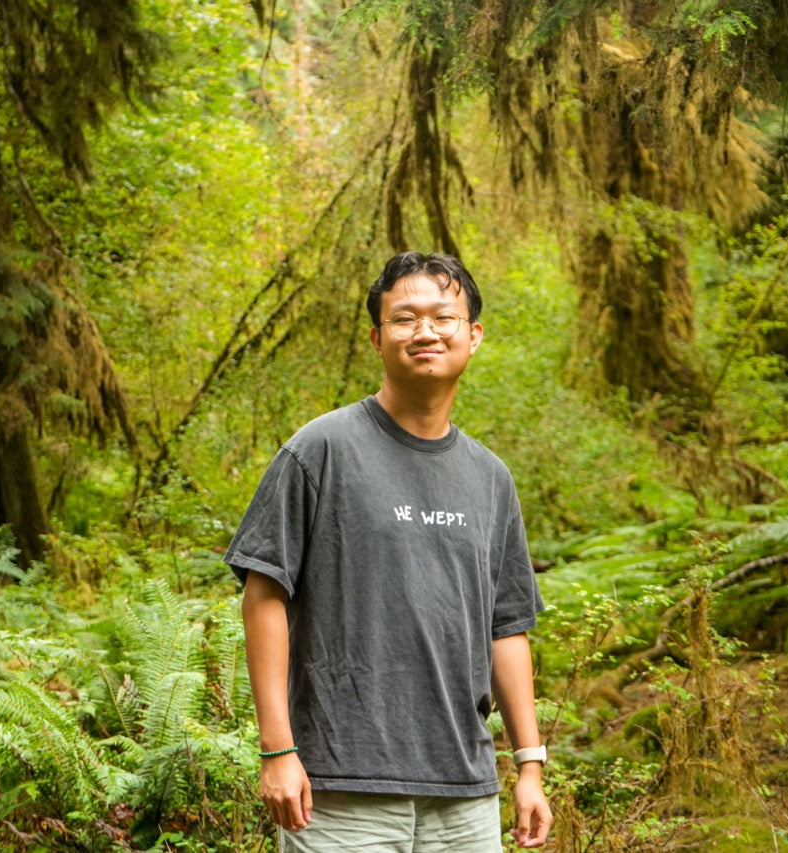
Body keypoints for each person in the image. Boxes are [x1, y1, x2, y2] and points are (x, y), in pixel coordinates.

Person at [225, 251, 553, 851]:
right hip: (339, 789)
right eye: (404, 318)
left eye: (444, 317)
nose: (426, 331)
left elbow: (506, 628)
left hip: (465, 790)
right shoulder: (320, 450)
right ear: (378, 338)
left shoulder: (490, 477)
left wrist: (529, 764)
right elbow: (263, 595)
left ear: (473, 335)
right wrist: (276, 749)